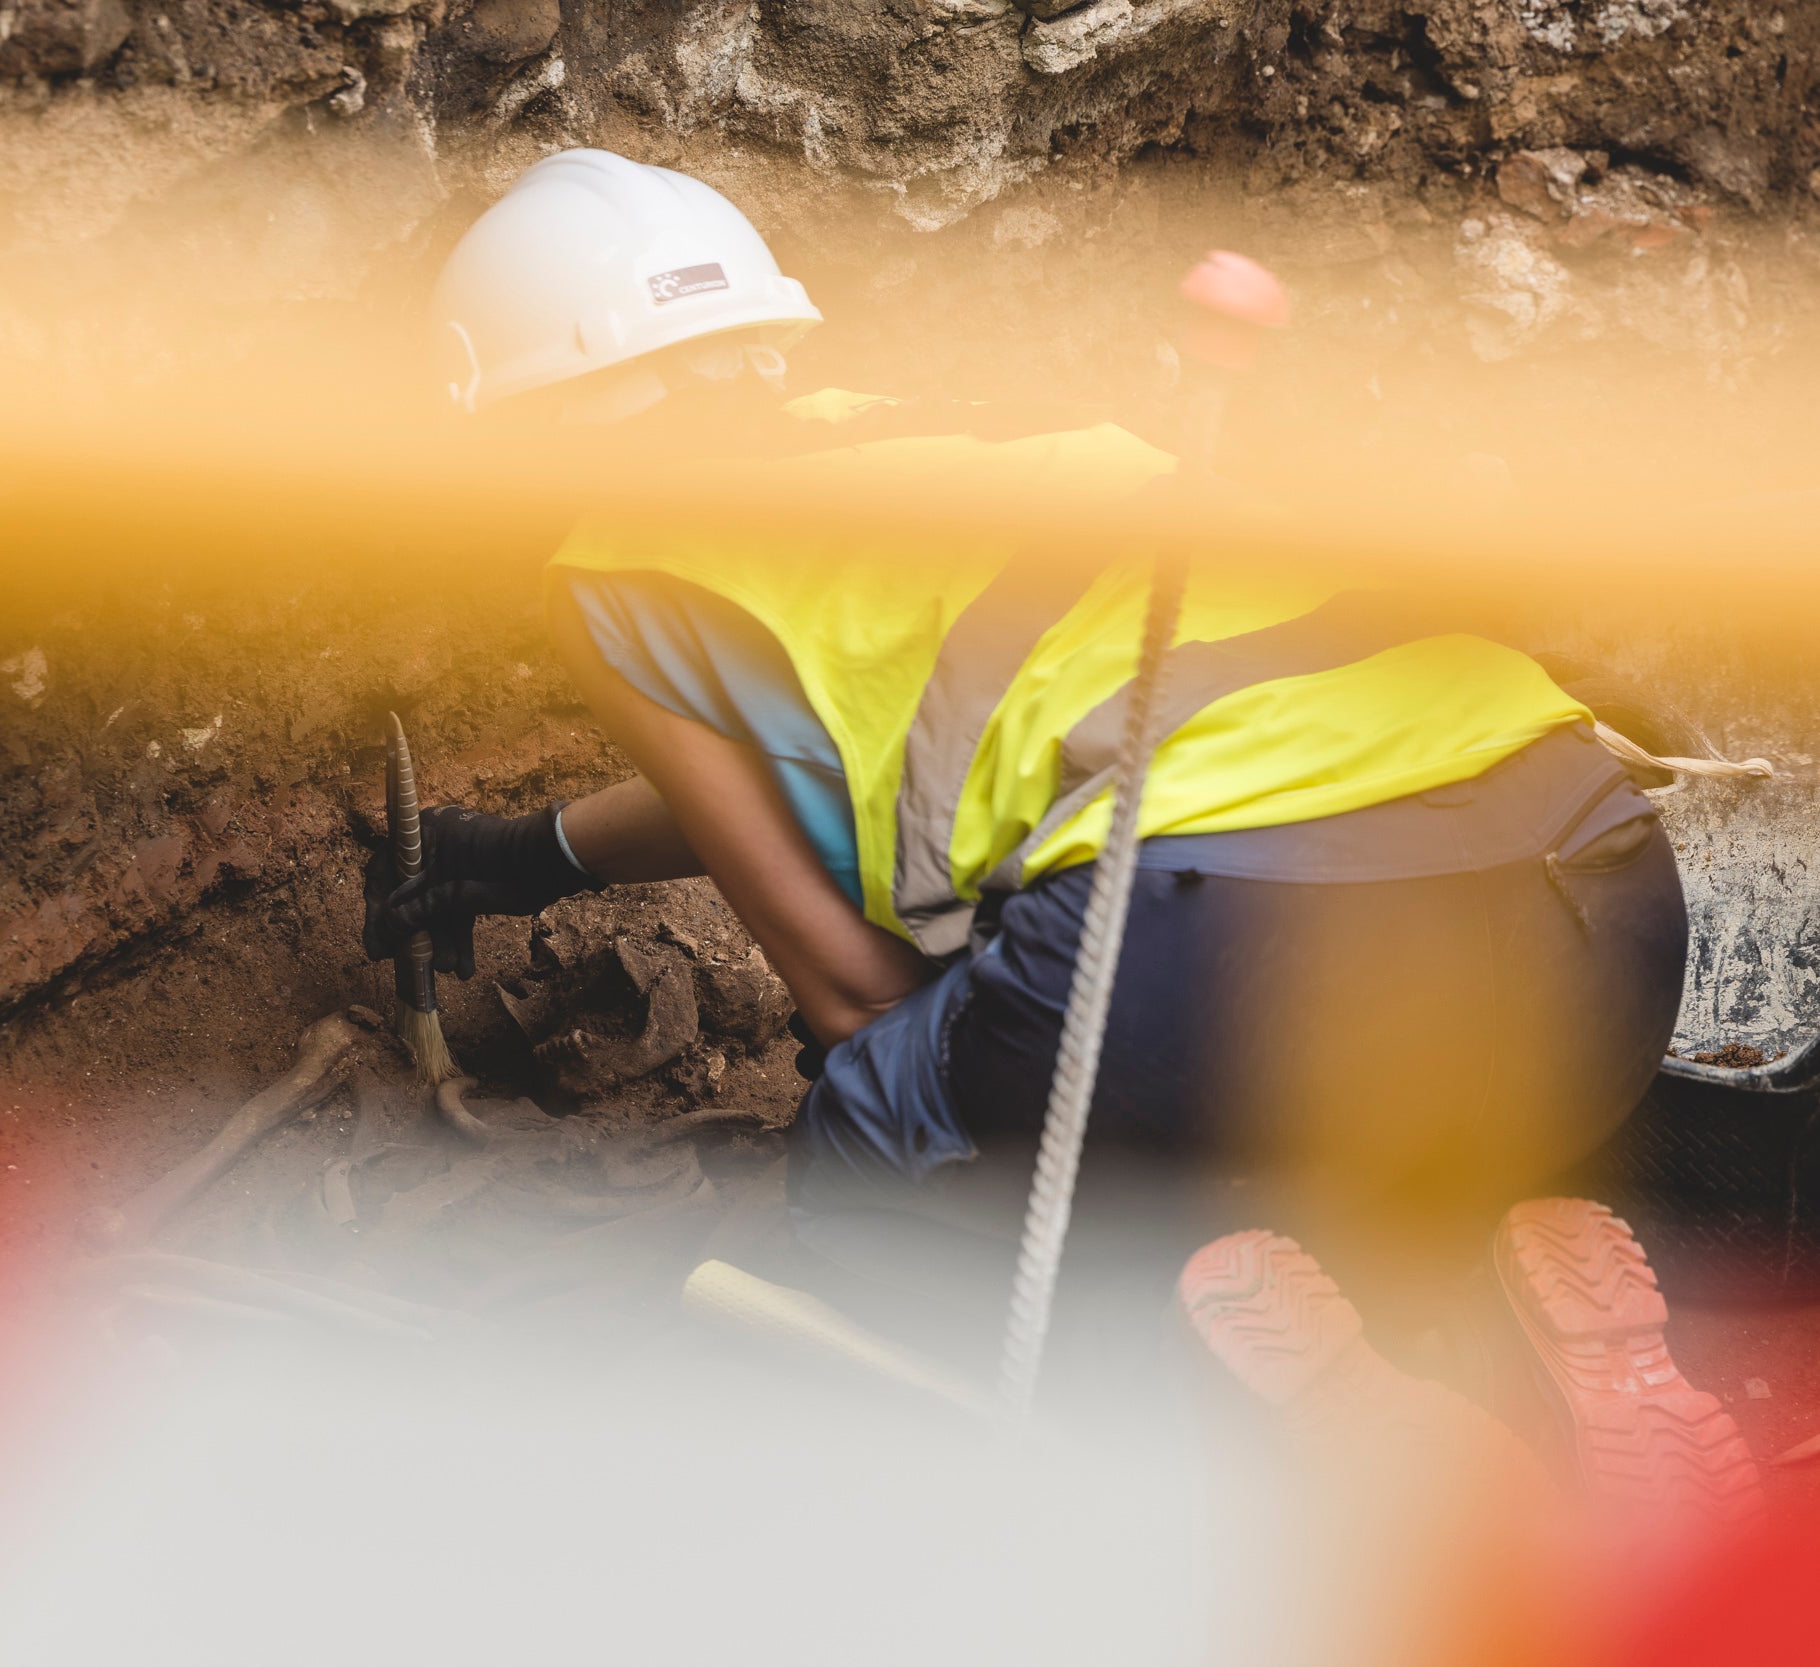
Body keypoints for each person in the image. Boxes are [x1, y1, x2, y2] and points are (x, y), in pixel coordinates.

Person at [364, 148, 1758, 1520]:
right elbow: (822, 769)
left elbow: (849, 989)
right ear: (765, 340)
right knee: (1234, 1117)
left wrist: (955, 1087)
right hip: (1599, 910)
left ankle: (1216, 1377)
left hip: (1235, 951)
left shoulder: (617, 564)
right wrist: (525, 856)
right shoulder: (959, 440)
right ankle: (1483, 1275)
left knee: (875, 1138)